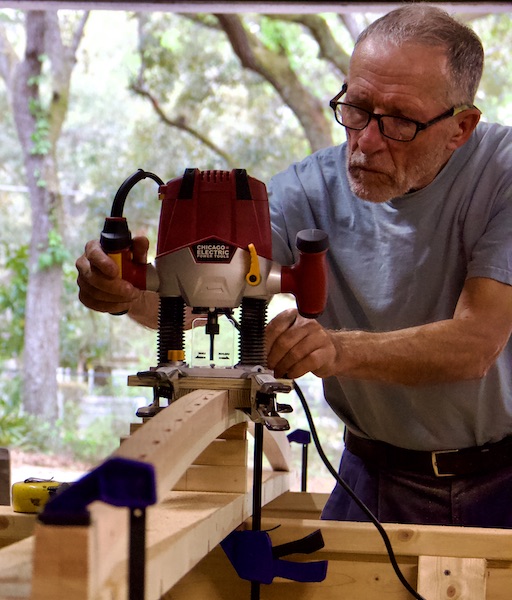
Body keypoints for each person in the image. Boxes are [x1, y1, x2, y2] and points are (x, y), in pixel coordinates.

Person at [76, 5, 512, 528]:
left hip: (500, 478)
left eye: (398, 121)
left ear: (460, 128)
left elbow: (477, 343)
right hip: (371, 471)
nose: (366, 141)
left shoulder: (501, 175)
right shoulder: (310, 188)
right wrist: (131, 295)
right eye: (356, 108)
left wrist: (336, 348)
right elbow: (202, 298)